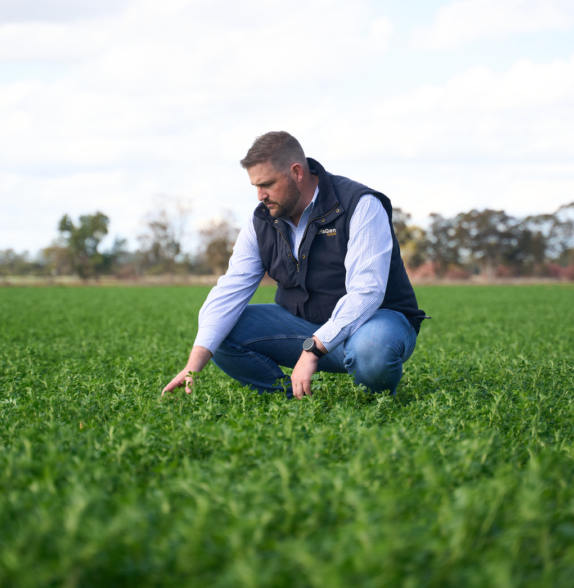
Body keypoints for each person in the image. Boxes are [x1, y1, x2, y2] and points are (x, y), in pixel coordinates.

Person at [162, 131, 428, 400]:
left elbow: (367, 292)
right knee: (219, 330)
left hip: (374, 323)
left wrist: (312, 350)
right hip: (304, 325)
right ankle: (293, 399)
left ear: (297, 172)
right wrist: (193, 367)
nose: (260, 195)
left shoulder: (361, 205)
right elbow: (230, 289)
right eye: (255, 186)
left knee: (372, 347)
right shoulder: (261, 221)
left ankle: (377, 403)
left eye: (267, 184)